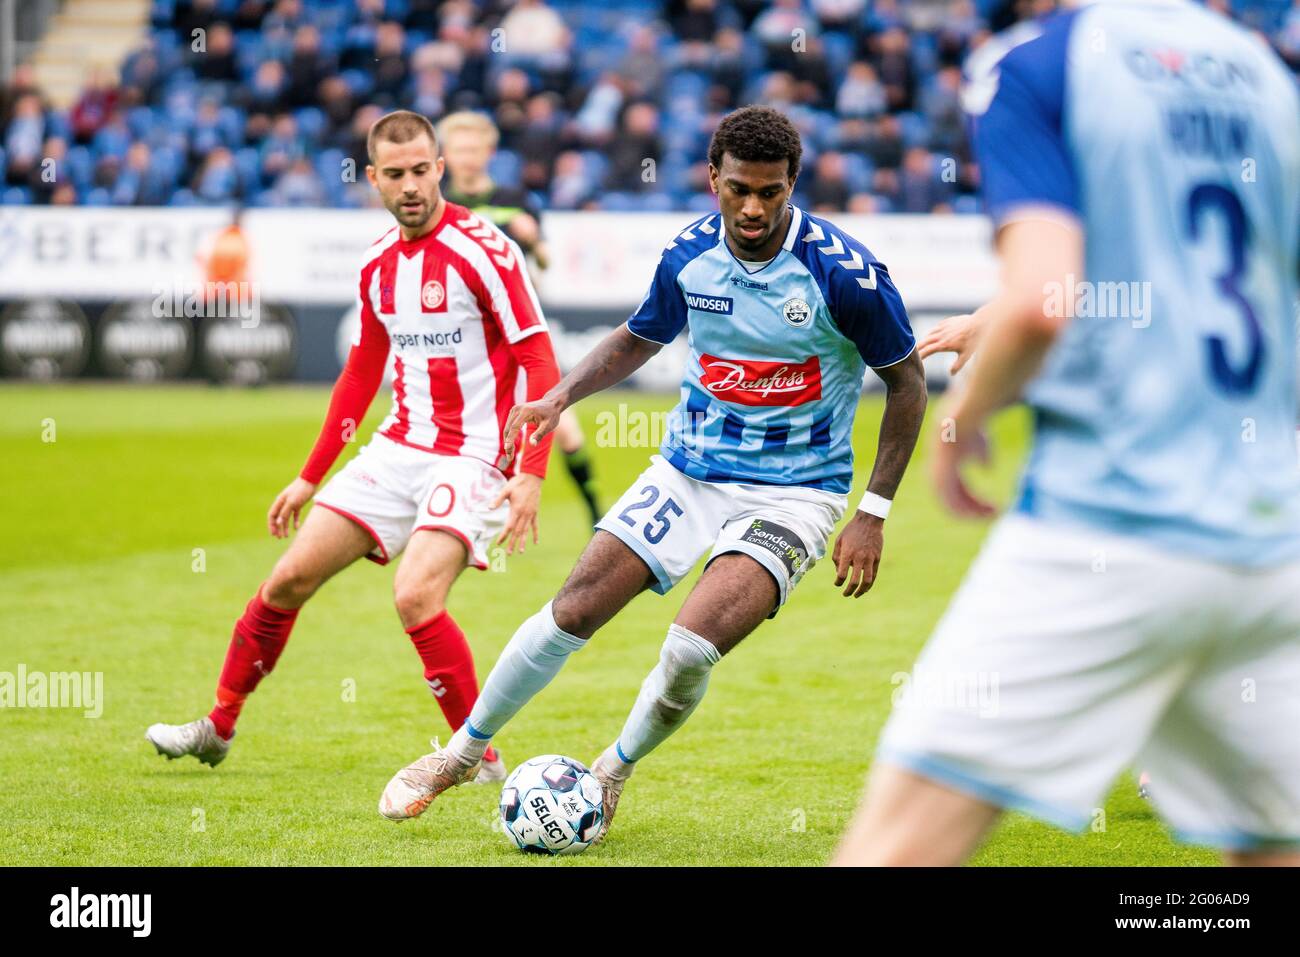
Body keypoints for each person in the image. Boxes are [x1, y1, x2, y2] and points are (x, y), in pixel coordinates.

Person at [376, 105, 928, 836]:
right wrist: (558, 394)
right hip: (689, 471)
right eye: (738, 190)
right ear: (713, 179)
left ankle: (611, 771)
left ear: (793, 183)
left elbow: (909, 383)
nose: (754, 207)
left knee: (691, 644)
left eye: (771, 191)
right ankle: (459, 753)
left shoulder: (845, 274)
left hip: (797, 492)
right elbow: (641, 335)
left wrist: (874, 510)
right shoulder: (689, 254)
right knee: (575, 605)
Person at [835, 0, 1300, 866]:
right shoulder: (1267, 76)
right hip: (1270, 546)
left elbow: (1048, 299)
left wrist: (968, 418)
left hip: (1110, 527)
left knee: (892, 849)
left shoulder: (1040, 63)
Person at [146, 111, 562, 783]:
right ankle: (218, 725)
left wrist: (531, 471)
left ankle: (477, 755)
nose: (411, 187)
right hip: (397, 446)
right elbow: (362, 372)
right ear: (373, 177)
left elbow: (538, 359)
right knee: (287, 579)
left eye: (421, 171)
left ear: (439, 168)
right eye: (394, 175)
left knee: (415, 594)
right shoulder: (375, 264)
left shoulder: (486, 249)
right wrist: (310, 475)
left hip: (477, 452)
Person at [437, 109, 603, 525]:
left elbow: (544, 265)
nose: (469, 156)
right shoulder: (439, 205)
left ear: (489, 152)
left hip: (514, 335)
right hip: (464, 339)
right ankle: (452, 515)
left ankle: (595, 514)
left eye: (476, 148)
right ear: (446, 154)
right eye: (460, 148)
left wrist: (535, 242)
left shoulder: (516, 202)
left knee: (563, 428)